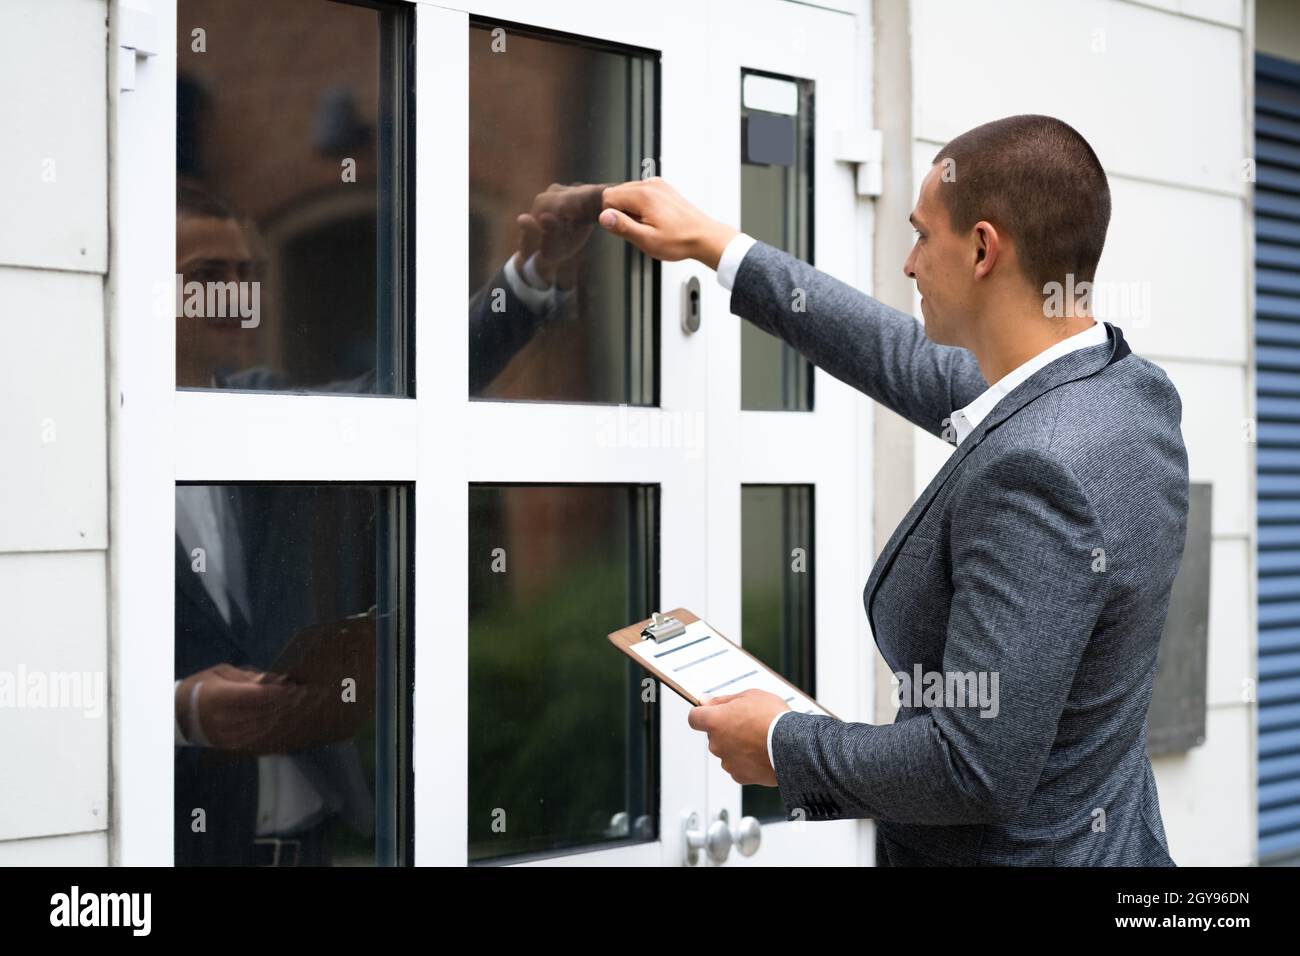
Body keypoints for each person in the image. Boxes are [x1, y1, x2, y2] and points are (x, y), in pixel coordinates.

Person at [598, 114, 1187, 867]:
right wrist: (717, 246)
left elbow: (973, 768)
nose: (909, 265)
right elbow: (898, 354)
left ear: (982, 248)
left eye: (920, 236)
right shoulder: (1127, 389)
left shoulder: (1036, 471)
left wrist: (782, 744)